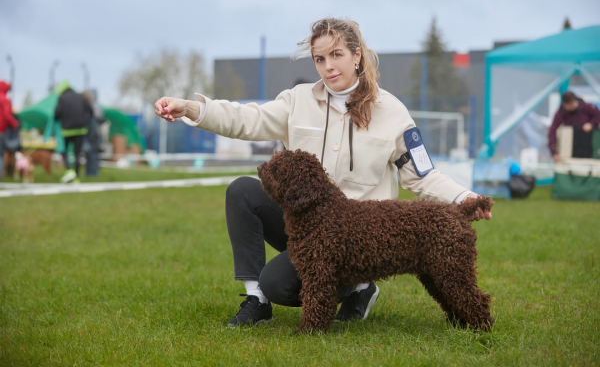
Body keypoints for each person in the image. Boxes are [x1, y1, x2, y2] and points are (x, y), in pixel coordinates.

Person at [155, 18, 492, 328]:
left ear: (356, 55)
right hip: (304, 223)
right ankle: (255, 299)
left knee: (282, 286)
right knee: (241, 190)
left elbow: (423, 174)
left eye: (337, 54)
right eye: (319, 59)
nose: (328, 66)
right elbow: (247, 118)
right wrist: (192, 108)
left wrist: (465, 197)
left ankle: (360, 285)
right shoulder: (297, 99)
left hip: (362, 239)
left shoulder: (392, 112)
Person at [54, 80, 93, 183]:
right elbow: (91, 111)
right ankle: (76, 178)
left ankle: (69, 170)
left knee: (63, 150)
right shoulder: (81, 97)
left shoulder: (61, 98)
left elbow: (56, 114)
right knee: (77, 154)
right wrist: (84, 120)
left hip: (67, 130)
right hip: (80, 129)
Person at [548, 91, 600, 162]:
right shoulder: (560, 114)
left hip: (589, 147)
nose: (572, 106)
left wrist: (591, 124)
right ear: (564, 104)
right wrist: (554, 152)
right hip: (569, 150)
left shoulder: (586, 107)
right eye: (569, 104)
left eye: (573, 103)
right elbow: (552, 131)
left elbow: (598, 116)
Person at [0, 80, 20, 181]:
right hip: (1, 129)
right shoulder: (5, 99)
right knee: (1, 154)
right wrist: (15, 124)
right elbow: (7, 115)